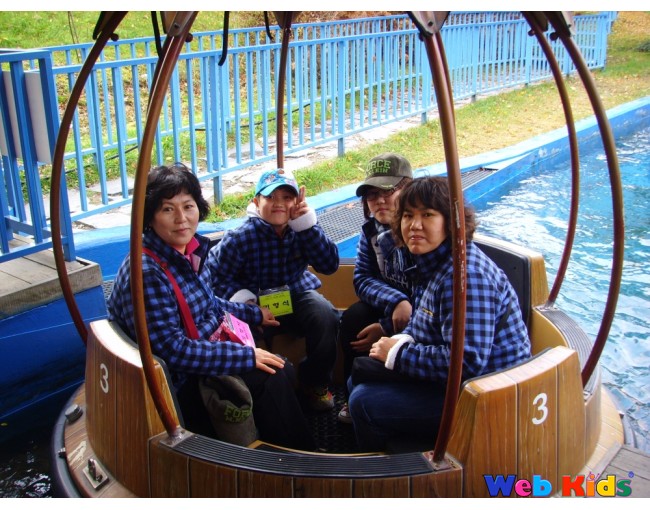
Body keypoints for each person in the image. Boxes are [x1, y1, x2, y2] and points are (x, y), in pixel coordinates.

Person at [107, 163, 315, 450]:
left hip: (202, 350)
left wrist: (254, 313)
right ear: (150, 217)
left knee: (282, 368)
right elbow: (172, 350)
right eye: (167, 209)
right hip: (178, 383)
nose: (181, 219)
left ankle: (270, 441)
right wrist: (243, 357)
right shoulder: (147, 272)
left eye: (188, 206)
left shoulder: (187, 251)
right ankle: (297, 457)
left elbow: (209, 303)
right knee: (273, 376)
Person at [347, 176, 532, 452]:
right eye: (408, 216)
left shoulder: (467, 277)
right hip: (458, 382)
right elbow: (423, 319)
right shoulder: (432, 262)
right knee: (359, 374)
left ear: (451, 221)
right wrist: (398, 339)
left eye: (427, 215)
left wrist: (398, 354)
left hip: (485, 395)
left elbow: (467, 362)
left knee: (363, 401)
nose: (415, 225)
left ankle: (395, 468)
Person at [206, 168, 340, 411]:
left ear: (297, 202)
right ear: (257, 202)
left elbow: (329, 265)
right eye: (270, 197)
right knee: (237, 334)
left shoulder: (303, 231)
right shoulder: (240, 238)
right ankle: (260, 399)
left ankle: (314, 382)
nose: (279, 204)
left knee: (325, 314)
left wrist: (307, 228)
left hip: (295, 297)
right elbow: (215, 278)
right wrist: (247, 305)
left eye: (287, 198)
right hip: (253, 307)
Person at [337, 153, 414, 424]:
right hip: (395, 306)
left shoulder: (418, 232)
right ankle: (352, 392)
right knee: (353, 318)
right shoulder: (371, 231)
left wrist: (387, 326)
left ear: (408, 189)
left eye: (388, 191)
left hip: (422, 314)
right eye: (372, 194)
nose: (379, 200)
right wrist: (396, 301)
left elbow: (430, 291)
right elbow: (362, 277)